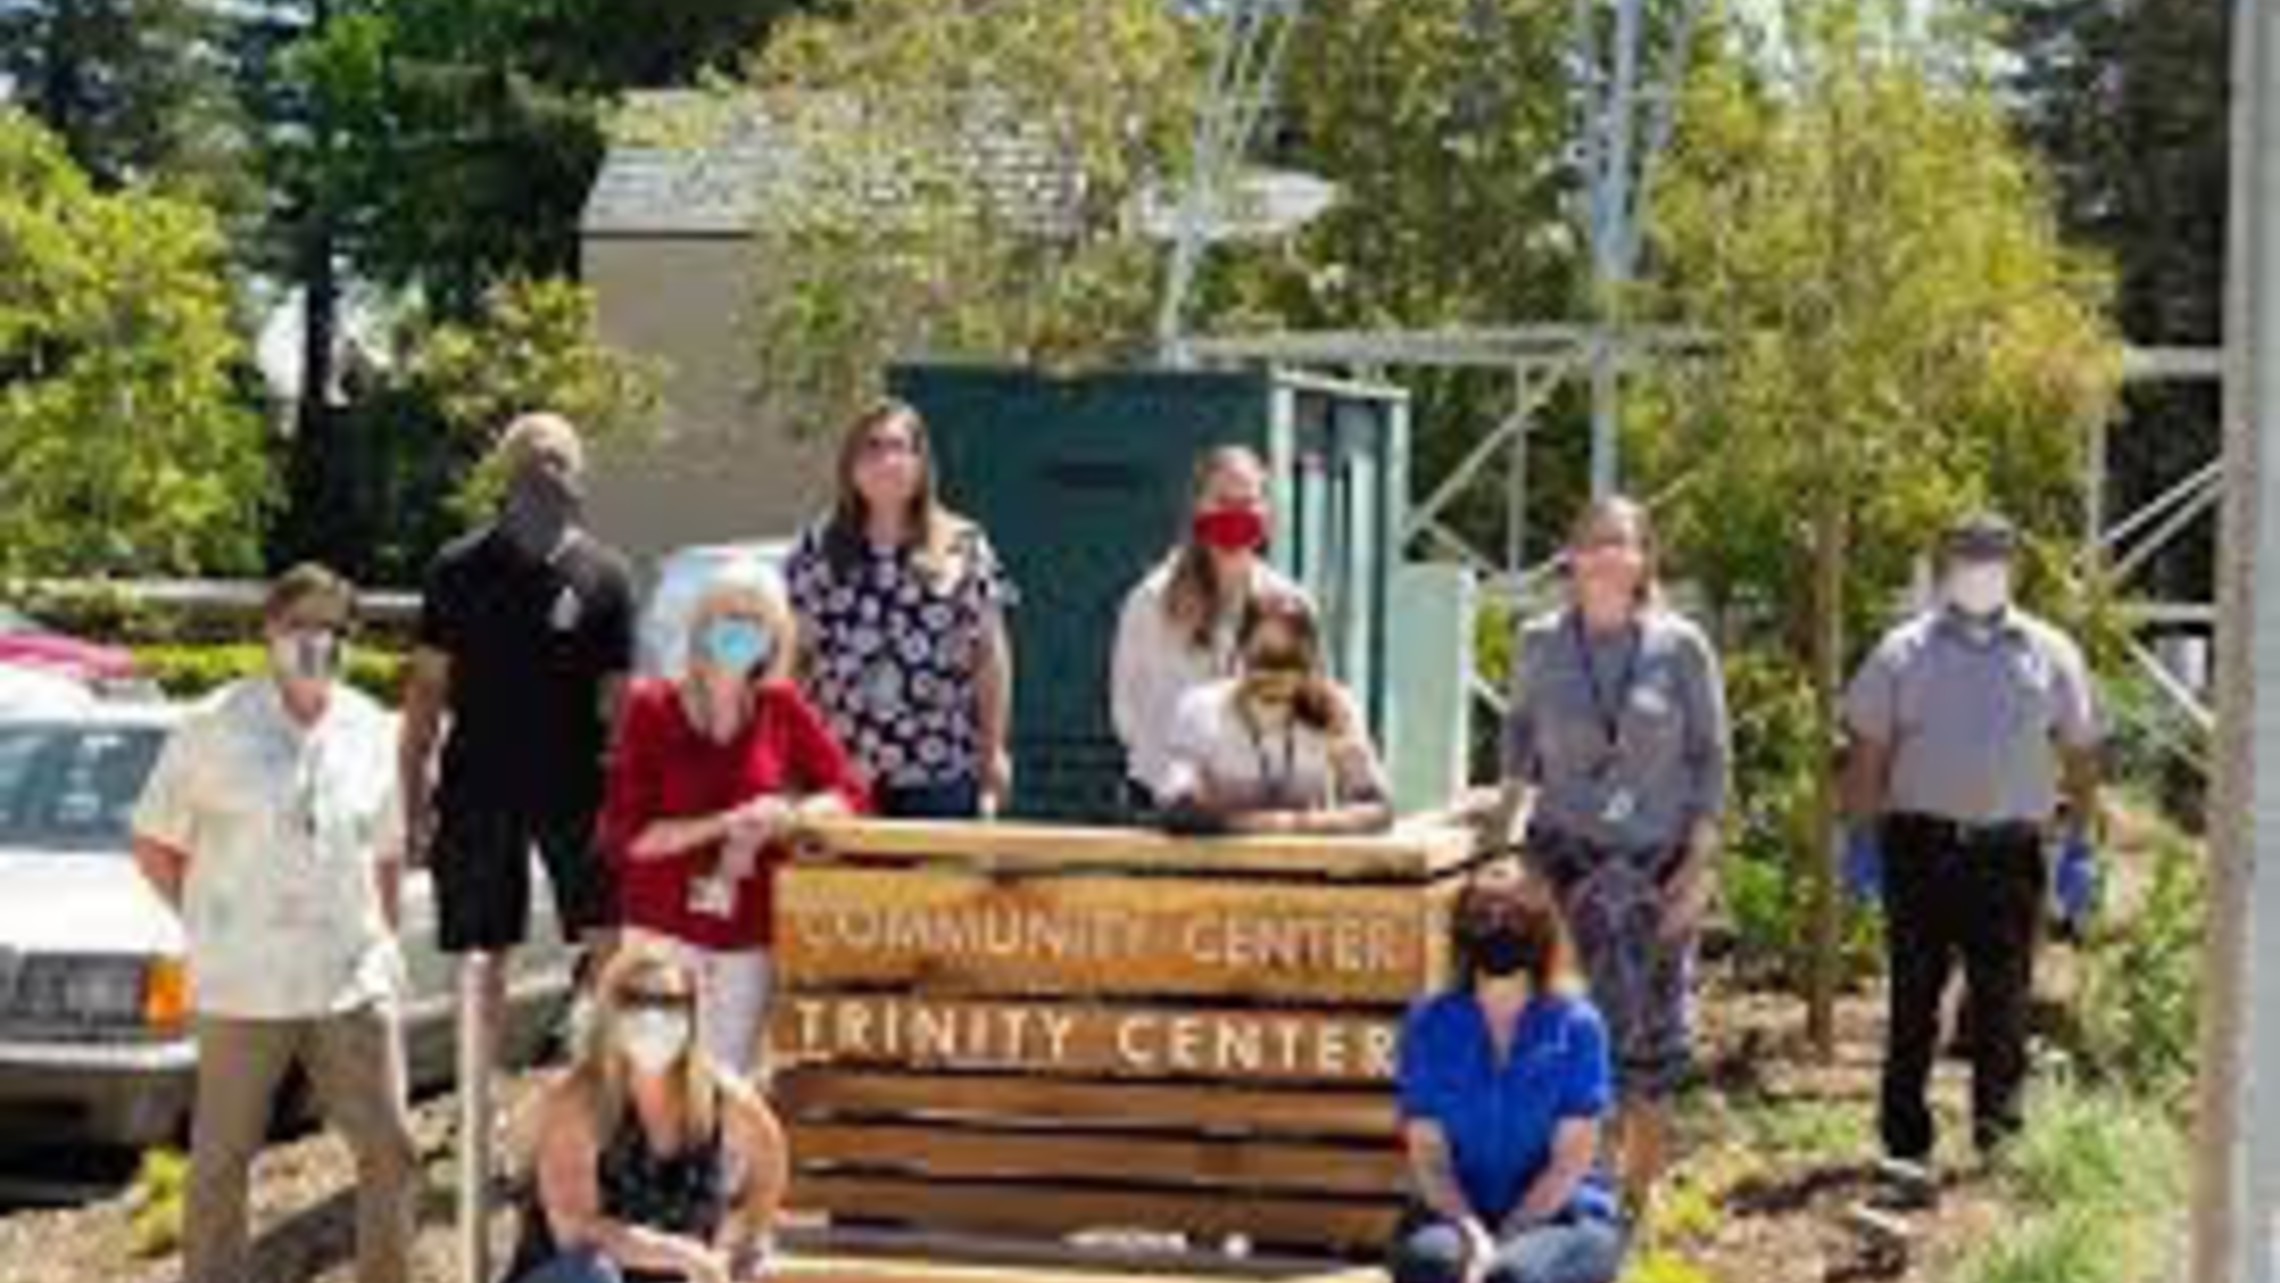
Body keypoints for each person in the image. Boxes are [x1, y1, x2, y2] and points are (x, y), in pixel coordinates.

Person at [131, 565, 418, 1283]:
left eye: (332, 628)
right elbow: (155, 841)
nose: (316, 641)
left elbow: (385, 848)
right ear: (269, 631)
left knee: (392, 1149)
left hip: (349, 977)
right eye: (301, 626)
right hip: (243, 983)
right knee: (221, 1161)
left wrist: (382, 937)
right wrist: (211, 922)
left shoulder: (368, 727)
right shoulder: (212, 725)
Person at [1842, 511, 2102, 1168]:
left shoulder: (2052, 651)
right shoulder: (1903, 650)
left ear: (2013, 565)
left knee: (2003, 1002)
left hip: (2011, 853)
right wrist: (1861, 836)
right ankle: (1904, 1142)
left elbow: (2080, 751)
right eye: (1968, 555)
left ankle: (1999, 1137)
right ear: (1945, 565)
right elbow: (1868, 751)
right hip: (1919, 848)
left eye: (1993, 555)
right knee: (1913, 1001)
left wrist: (2081, 844)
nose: (1981, 568)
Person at [1494, 496, 1729, 1214]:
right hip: (1565, 864)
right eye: (1592, 541)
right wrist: (1505, 851)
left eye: (1621, 542)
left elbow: (1713, 759)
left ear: (1644, 558)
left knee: (1652, 1045)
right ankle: (1574, 1192)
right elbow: (1517, 743)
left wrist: (1699, 870)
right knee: (1565, 1033)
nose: (1606, 555)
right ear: (1571, 555)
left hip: (1657, 868)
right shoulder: (1540, 642)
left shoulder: (1680, 646)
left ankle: (1641, 1196)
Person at [400, 413, 638, 1051]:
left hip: (577, 786)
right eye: (532, 455)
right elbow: (426, 690)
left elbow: (619, 705)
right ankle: (481, 1114)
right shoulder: (455, 569)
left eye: (559, 456)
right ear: (507, 469)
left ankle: (603, 1095)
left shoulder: (606, 576)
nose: (546, 466)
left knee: (607, 942)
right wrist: (413, 794)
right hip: (479, 784)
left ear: (577, 472)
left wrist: (629, 802)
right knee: (481, 958)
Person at [599, 565, 871, 1077]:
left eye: (756, 621)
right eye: (729, 617)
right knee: (652, 1076)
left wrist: (786, 815)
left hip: (746, 932)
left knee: (729, 1079)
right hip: (663, 929)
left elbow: (850, 792)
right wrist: (726, 822)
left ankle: (721, 1162)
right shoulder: (651, 706)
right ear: (702, 625)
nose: (741, 631)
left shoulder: (781, 705)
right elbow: (631, 838)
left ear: (774, 636)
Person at [1389, 863, 1626, 1283]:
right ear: (1461, 931)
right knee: (1435, 1266)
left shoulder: (1577, 1025)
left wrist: (1505, 1240)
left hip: (1563, 1217)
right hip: (1455, 1212)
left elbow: (1569, 1162)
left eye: (1514, 917)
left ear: (1541, 929)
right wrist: (1474, 1234)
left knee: (1514, 1276)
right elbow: (1430, 1159)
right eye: (1482, 917)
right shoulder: (1427, 1023)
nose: (1497, 928)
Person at [786, 397, 1017, 819]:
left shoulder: (963, 544)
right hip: (841, 770)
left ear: (920, 462)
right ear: (850, 465)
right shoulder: (816, 548)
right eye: (871, 447)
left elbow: (989, 657)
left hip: (939, 772)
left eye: (898, 447)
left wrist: (994, 749)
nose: (886, 460)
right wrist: (784, 751)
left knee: (936, 888)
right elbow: (796, 660)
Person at [506, 945, 790, 1283]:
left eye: (669, 1002)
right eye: (634, 1000)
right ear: (611, 1011)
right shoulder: (579, 1101)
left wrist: (741, 1235)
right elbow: (575, 1230)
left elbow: (770, 1163)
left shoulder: (722, 1097)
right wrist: (682, 1255)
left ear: (692, 1012)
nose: (653, 1016)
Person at [1111, 445, 1304, 812]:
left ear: (1267, 513)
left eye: (1247, 502)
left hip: (1258, 806)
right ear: (1198, 507)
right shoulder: (1151, 601)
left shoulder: (1290, 604)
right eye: (1223, 501)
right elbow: (1125, 713)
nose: (1236, 513)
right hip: (1164, 804)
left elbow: (1309, 705)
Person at [1157, 590, 1393, 835]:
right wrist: (1262, 826)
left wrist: (1295, 825)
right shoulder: (1203, 709)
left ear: (1311, 663)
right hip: (1223, 865)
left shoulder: (1335, 708)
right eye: (1263, 659)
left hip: (1307, 865)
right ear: (1240, 654)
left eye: (1290, 661)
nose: (1275, 676)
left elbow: (1378, 808)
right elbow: (1175, 806)